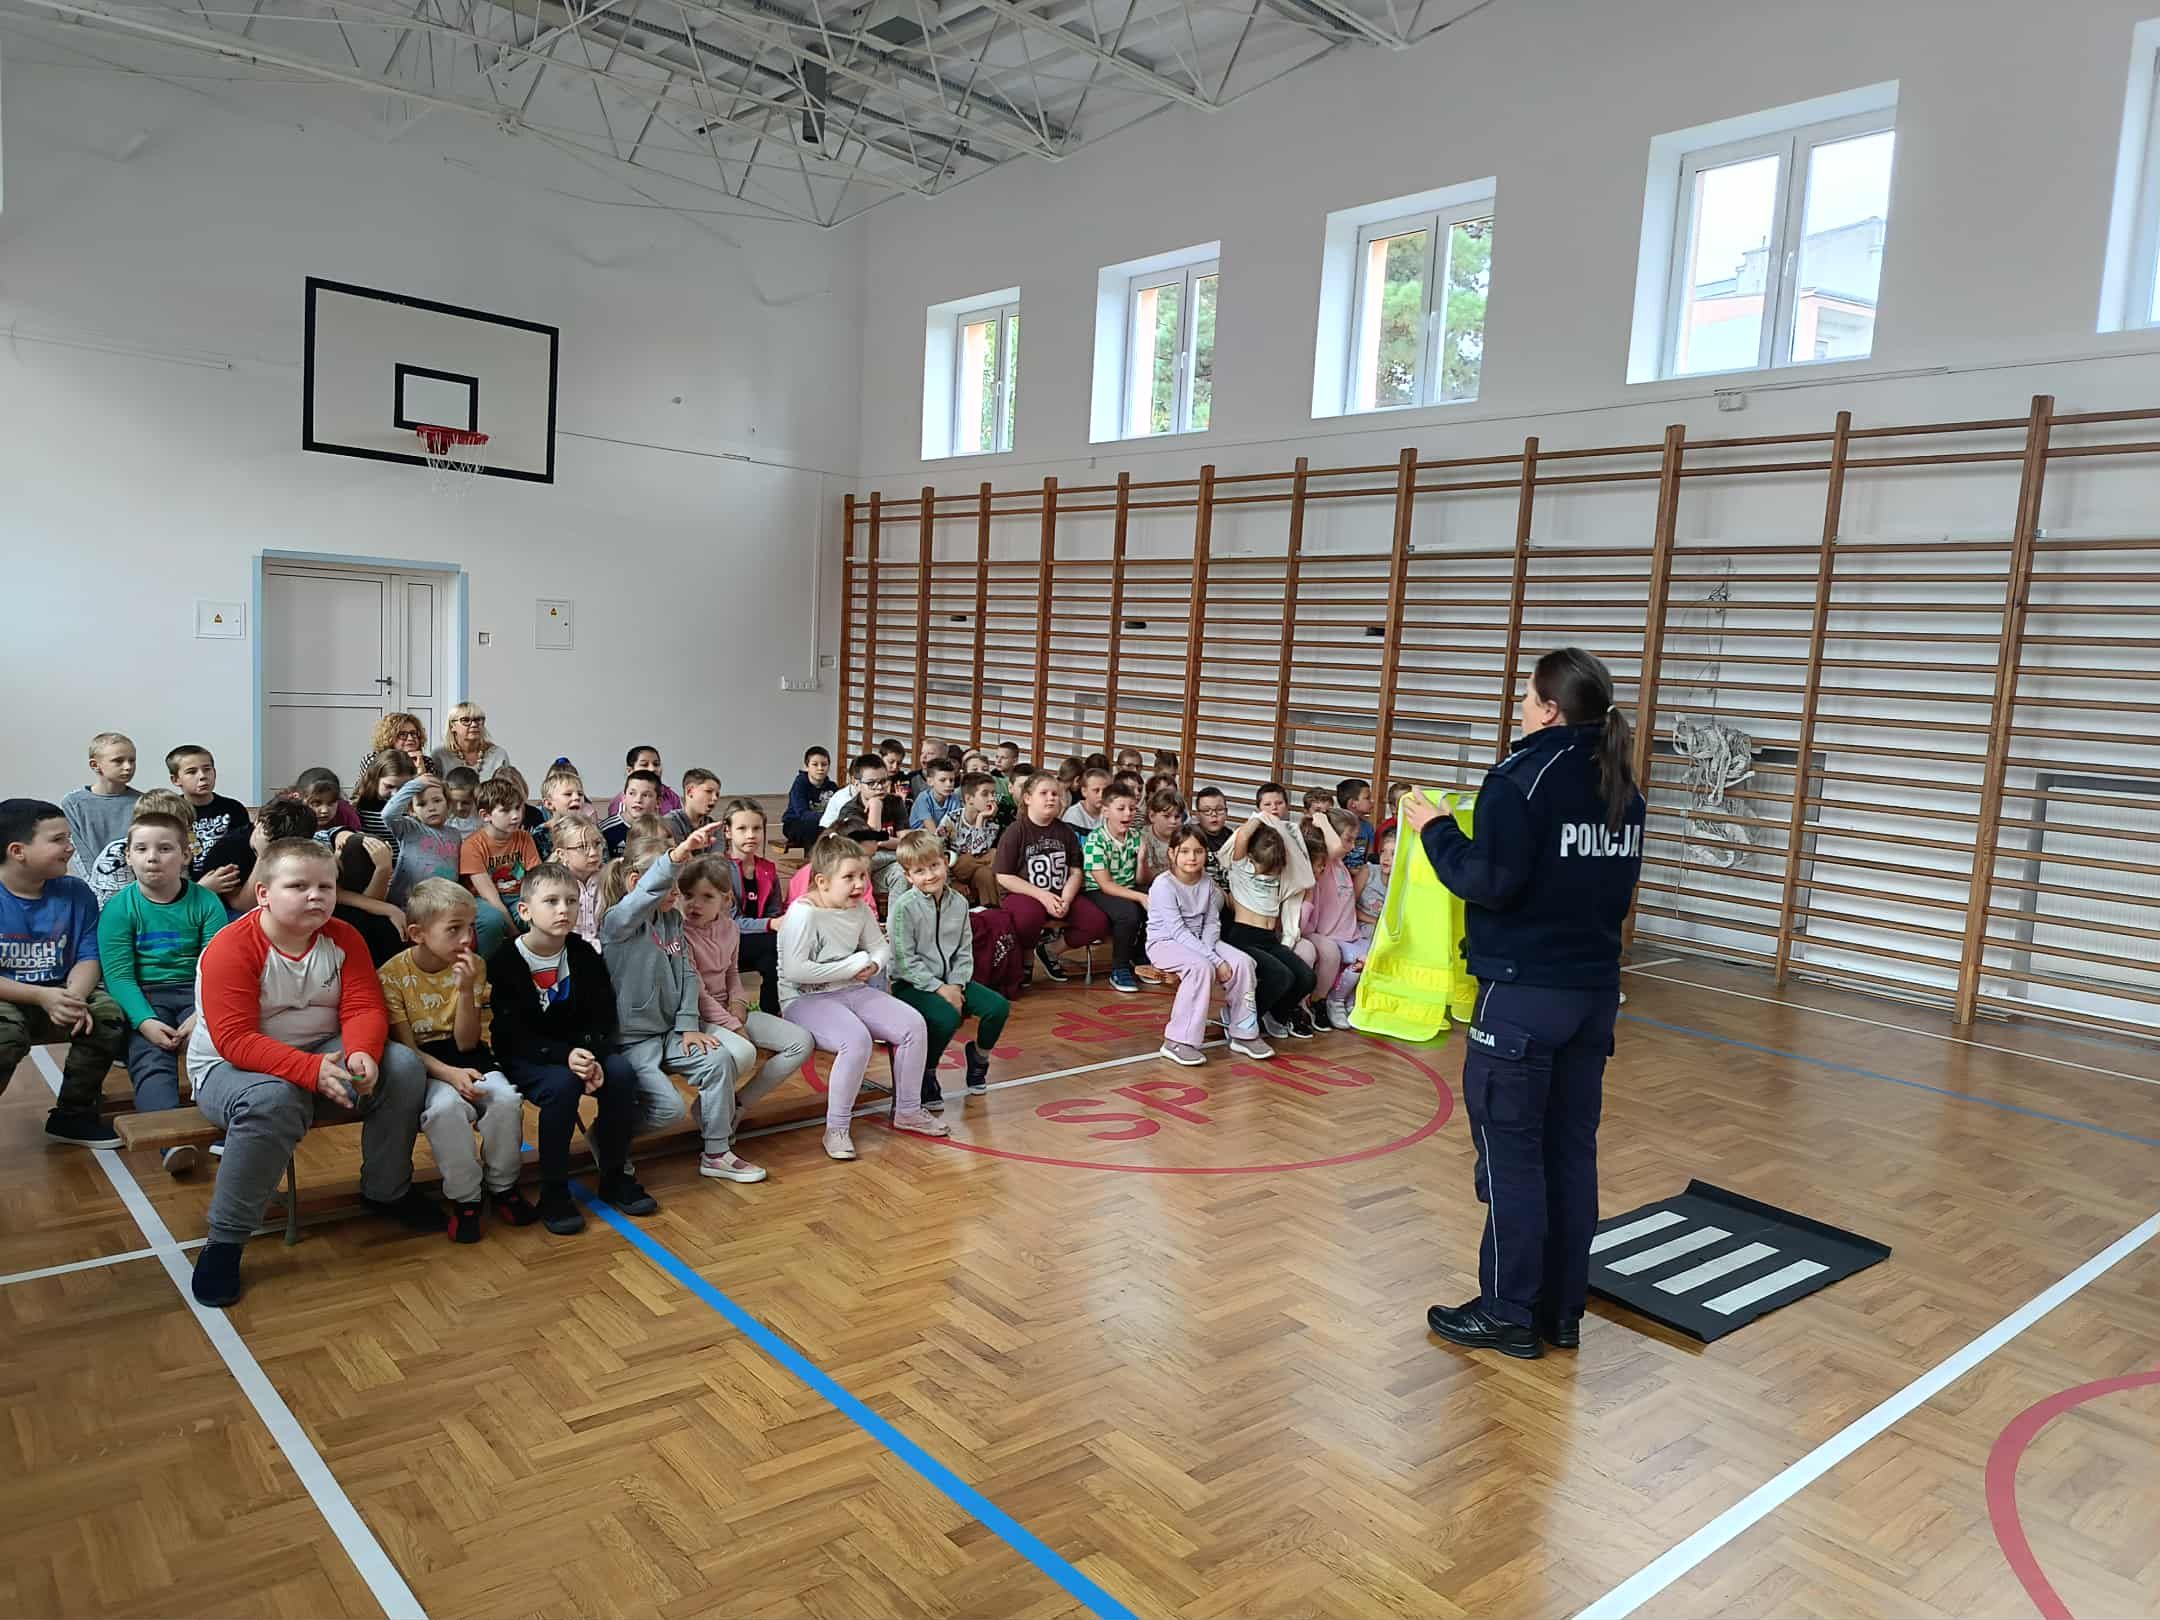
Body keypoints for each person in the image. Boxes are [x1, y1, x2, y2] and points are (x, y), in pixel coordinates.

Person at [1411, 647, 1646, 1361]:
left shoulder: (1521, 779)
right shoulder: (1620, 785)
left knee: (1512, 1159)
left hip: (1522, 996)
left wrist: (1435, 830)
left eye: (1526, 697)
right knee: (1570, 1154)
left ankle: (1509, 1311)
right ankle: (1560, 1311)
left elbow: (1490, 882)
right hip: (1593, 995)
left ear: (1548, 709)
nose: (1520, 706)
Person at [185, 838, 435, 1306]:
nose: (316, 896)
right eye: (298, 886)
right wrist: (309, 1070)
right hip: (230, 1069)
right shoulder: (230, 948)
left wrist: (361, 1053)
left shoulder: (345, 937)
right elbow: (234, 1040)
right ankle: (226, 1241)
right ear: (264, 894)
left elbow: (363, 1006)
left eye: (326, 886)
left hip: (321, 1055)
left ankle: (386, 1191)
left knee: (400, 1065)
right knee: (274, 1099)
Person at [487, 861, 656, 1235]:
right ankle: (554, 1190)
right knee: (562, 1087)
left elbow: (602, 1016)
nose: (563, 909)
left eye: (571, 901)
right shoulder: (505, 961)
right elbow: (513, 1033)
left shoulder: (582, 953)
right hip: (528, 1055)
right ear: (525, 910)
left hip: (580, 1050)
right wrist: (564, 1057)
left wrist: (592, 1055)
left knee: (621, 1073)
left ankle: (614, 1174)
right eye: (551, 901)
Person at [599, 826, 767, 1183]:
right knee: (670, 1109)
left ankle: (716, 1153)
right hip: (632, 1041)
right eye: (670, 884)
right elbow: (644, 896)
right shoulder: (617, 923)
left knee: (719, 1060)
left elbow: (689, 974)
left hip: (669, 1033)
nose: (676, 894)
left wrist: (688, 1025)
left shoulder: (672, 920)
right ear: (637, 882)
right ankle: (607, 1136)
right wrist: (676, 856)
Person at [378, 879, 538, 1240]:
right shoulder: (391, 976)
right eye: (454, 929)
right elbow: (407, 1051)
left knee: (506, 1101)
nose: (467, 938)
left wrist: (465, 990)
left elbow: (467, 1043)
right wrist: (450, 1075)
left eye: (470, 926)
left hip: (468, 1055)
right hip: (424, 1065)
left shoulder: (474, 967)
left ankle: (503, 1186)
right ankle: (466, 1198)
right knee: (444, 1111)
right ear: (417, 934)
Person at [776, 833, 947, 1161]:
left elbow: (880, 946)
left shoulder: (857, 908)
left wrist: (873, 964)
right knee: (855, 1040)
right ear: (823, 882)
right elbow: (797, 971)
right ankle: (836, 1128)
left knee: (913, 1025)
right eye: (849, 877)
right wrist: (853, 964)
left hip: (851, 989)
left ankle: (909, 1110)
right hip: (805, 1000)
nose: (859, 884)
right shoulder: (803, 913)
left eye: (863, 875)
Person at [96, 810, 227, 1171]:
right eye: (141, 849)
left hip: (197, 992)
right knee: (151, 1059)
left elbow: (217, 968)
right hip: (146, 995)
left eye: (165, 848)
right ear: (128, 856)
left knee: (222, 1047)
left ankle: (229, 1127)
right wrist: (144, 1021)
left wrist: (202, 1014)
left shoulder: (206, 902)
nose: (152, 857)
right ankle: (171, 1141)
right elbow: (119, 977)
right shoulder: (119, 908)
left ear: (185, 855)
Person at [0, 799, 128, 1147]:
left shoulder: (75, 891)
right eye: (58, 840)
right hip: (9, 995)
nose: (70, 847)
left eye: (69, 837)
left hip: (62, 990)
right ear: (18, 851)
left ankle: (73, 1116)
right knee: (5, 1034)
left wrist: (74, 998)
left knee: (106, 1015)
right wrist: (42, 996)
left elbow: (88, 956)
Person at [676, 853, 813, 1143]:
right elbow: (697, 993)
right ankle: (714, 1116)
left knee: (800, 1042)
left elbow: (732, 974)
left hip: (730, 1011)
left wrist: (738, 1003)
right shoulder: (680, 934)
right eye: (688, 896)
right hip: (700, 1018)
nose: (694, 905)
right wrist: (733, 1025)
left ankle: (737, 1105)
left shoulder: (730, 928)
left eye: (706, 897)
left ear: (726, 900)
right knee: (741, 1052)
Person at [886, 831, 1009, 1108]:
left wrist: (956, 984)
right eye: (920, 871)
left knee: (997, 1007)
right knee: (946, 1016)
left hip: (952, 980)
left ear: (945, 862)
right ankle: (926, 1072)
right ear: (908, 877)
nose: (930, 875)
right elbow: (904, 960)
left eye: (934, 866)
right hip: (912, 984)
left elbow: (964, 951)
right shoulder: (904, 908)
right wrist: (940, 989)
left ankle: (979, 1057)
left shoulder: (960, 903)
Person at [1145, 826, 1270, 1067]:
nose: (1192, 857)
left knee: (1243, 963)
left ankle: (1243, 1033)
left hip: (1202, 941)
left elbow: (1212, 923)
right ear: (1172, 853)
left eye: (1198, 851)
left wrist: (1211, 951)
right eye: (1185, 851)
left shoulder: (1208, 883)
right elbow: (1178, 931)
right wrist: (1214, 960)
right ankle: (1177, 1041)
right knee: (1201, 967)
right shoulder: (1163, 885)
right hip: (1166, 943)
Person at [994, 772, 1112, 985]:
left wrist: (1066, 898)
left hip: (1059, 893)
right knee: (1029, 916)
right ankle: (1026, 959)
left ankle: (1050, 950)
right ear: (1028, 798)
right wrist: (1043, 896)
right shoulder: (1016, 831)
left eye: (1055, 794)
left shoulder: (1065, 831)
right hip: (1024, 894)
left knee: (1097, 922)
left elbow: (1076, 871)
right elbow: (1003, 875)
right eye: (1044, 793)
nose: (1051, 798)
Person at [1222, 815, 1318, 1040]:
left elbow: (1297, 855)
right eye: (1265, 869)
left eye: (1273, 870)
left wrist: (1279, 828)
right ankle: (1239, 1015)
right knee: (1280, 975)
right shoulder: (1242, 868)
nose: (1269, 874)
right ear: (1251, 857)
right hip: (1244, 938)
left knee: (1307, 977)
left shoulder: (1278, 869)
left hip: (1268, 939)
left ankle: (1274, 1013)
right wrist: (1261, 816)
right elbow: (1243, 835)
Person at [1081, 783, 1152, 994]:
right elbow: (1105, 885)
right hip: (1097, 891)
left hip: (1128, 888)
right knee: (1128, 914)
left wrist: (1142, 861)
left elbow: (1141, 879)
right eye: (1121, 808)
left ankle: (1140, 956)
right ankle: (1119, 969)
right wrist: (1139, 897)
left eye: (1132, 808)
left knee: (1159, 903)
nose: (1128, 813)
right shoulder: (1096, 840)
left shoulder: (1136, 837)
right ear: (1105, 811)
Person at [718, 799, 784, 1014]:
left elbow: (775, 911)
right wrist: (771, 924)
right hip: (724, 941)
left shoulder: (768, 868)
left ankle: (772, 1012)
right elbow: (731, 922)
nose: (751, 835)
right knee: (774, 946)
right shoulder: (719, 869)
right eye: (742, 829)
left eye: (756, 828)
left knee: (778, 948)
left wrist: (775, 923)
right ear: (728, 832)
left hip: (760, 941)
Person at [165, 745, 253, 906]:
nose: (202, 776)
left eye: (207, 769)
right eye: (192, 772)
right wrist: (201, 888)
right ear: (175, 780)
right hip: (189, 896)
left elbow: (245, 851)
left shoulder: (234, 808)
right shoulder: (171, 812)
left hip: (231, 889)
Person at [1294, 811, 1357, 1030]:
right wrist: (1322, 821)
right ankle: (1309, 1003)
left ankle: (1321, 1000)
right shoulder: (1328, 861)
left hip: (1345, 934)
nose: (1352, 846)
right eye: (1348, 839)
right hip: (1318, 931)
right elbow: (1336, 847)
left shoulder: (1339, 865)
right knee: (1329, 953)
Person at [461, 778, 541, 948]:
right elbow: (490, 897)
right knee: (493, 920)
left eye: (518, 807)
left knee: (539, 912)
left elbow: (537, 879)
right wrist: (514, 935)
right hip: (483, 900)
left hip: (518, 895)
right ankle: (489, 963)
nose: (515, 816)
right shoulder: (471, 846)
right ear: (486, 815)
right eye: (505, 810)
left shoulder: (525, 838)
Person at [84, 788, 195, 908]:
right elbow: (120, 909)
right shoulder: (116, 855)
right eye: (182, 828)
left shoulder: (180, 849)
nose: (187, 835)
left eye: (188, 828)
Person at [377, 768, 466, 910]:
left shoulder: (455, 835)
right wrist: (415, 784)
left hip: (442, 905)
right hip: (406, 905)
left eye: (437, 801)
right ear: (412, 811)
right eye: (422, 804)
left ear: (448, 804)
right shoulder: (409, 828)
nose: (431, 808)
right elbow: (388, 815)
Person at [60, 731, 141, 886]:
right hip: (93, 885)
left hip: (134, 886)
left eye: (132, 760)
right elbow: (79, 852)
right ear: (95, 765)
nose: (128, 767)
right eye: (118, 761)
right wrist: (97, 884)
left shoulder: (142, 802)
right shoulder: (73, 803)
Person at [542, 811, 607, 948]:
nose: (593, 853)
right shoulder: (551, 884)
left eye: (597, 844)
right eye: (582, 847)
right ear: (562, 854)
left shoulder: (609, 877)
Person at [945, 772, 1003, 908]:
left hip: (977, 870)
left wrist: (980, 819)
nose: (991, 799)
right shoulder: (951, 819)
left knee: (985, 873)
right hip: (955, 870)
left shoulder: (992, 823)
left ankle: (991, 912)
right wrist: (951, 882)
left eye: (993, 794)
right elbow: (937, 852)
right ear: (969, 799)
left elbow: (978, 851)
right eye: (985, 794)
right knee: (992, 855)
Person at [431, 701, 508, 782]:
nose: (474, 724)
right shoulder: (439, 755)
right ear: (452, 726)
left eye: (478, 720)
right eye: (465, 720)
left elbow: (507, 788)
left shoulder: (498, 755)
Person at [352, 749, 415, 841]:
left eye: (403, 788)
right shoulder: (359, 803)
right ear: (375, 780)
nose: (395, 794)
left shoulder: (416, 804)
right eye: (389, 786)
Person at [607, 746, 684, 819]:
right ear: (630, 771)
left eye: (656, 764)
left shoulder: (671, 795)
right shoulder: (622, 801)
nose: (652, 769)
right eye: (644, 765)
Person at [783, 746, 836, 851]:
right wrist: (827, 818)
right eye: (815, 764)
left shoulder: (832, 787)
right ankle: (812, 858)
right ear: (807, 767)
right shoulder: (799, 785)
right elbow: (803, 814)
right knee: (812, 826)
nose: (820, 768)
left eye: (824, 764)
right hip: (795, 824)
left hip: (822, 823)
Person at [602, 770, 663, 857]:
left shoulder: (663, 830)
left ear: (658, 802)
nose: (638, 800)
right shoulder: (605, 830)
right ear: (623, 797)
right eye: (632, 793)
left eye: (645, 795)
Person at [361, 713, 428, 788]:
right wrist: (418, 777)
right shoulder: (374, 759)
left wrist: (421, 771)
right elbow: (381, 792)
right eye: (402, 734)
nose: (410, 738)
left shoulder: (426, 761)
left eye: (413, 733)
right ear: (390, 738)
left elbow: (431, 793)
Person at [1191, 786, 1234, 894]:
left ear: (1226, 812)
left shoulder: (1233, 837)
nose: (1214, 815)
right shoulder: (1191, 837)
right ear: (1198, 815)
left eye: (1219, 810)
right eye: (1207, 810)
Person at [663, 768, 723, 841]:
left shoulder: (715, 827)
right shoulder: (669, 822)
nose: (715, 798)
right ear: (689, 791)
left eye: (717, 794)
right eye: (708, 791)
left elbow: (718, 848)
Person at [908, 758, 962, 833]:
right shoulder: (923, 799)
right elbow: (933, 831)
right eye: (942, 780)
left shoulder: (954, 799)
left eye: (951, 780)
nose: (949, 784)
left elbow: (954, 827)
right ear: (930, 781)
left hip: (941, 836)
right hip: (919, 836)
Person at [1336, 778, 1377, 872]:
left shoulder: (1368, 827)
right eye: (1367, 798)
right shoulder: (1336, 825)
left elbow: (1369, 858)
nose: (1372, 800)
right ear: (1352, 803)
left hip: (1360, 875)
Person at [1062, 767, 1109, 833]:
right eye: (1096, 790)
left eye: (1105, 791)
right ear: (1084, 791)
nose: (1101, 795)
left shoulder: (1110, 813)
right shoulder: (1073, 815)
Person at [442, 767, 481, 836]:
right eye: (453, 802)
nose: (459, 808)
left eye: (465, 803)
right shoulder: (443, 820)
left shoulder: (483, 820)